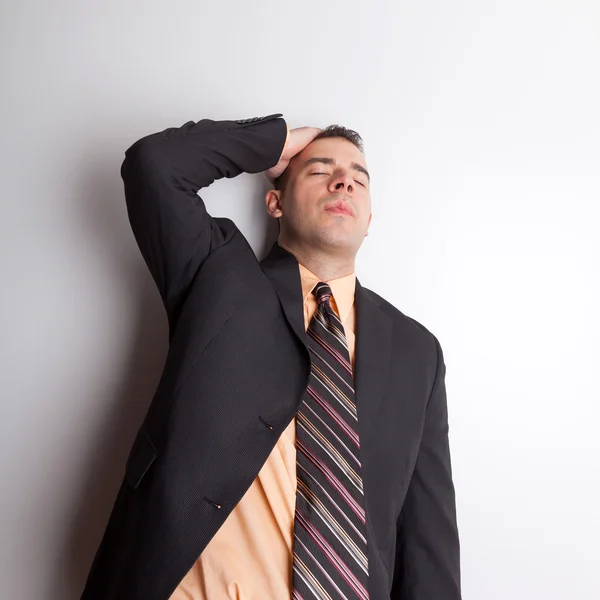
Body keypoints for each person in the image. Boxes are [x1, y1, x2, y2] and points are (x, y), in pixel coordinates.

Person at [81, 113, 461, 600]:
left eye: (358, 179)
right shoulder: (217, 278)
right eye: (321, 170)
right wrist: (277, 141)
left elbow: (426, 542)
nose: (344, 180)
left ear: (370, 221)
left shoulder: (417, 352)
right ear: (275, 201)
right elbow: (154, 166)